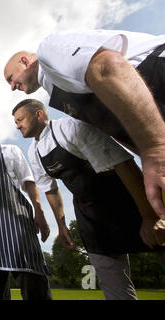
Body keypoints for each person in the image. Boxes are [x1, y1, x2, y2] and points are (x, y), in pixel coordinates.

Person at [3, 29, 165, 219]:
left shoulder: (48, 50)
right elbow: (113, 127)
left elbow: (107, 67)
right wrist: (145, 153)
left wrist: (155, 150)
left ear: (25, 61)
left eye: (11, 78)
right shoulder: (58, 92)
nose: (13, 86)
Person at [12, 98, 165, 300]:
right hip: (88, 213)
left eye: (20, 119)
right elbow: (51, 190)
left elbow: (122, 162)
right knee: (110, 278)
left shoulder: (70, 127)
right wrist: (62, 226)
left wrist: (148, 215)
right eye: (15, 122)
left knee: (161, 245)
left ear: (39, 114)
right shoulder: (34, 151)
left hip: (122, 198)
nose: (17, 125)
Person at [0, 119, 52, 300]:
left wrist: (40, 213)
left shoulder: (11, 151)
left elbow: (28, 183)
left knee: (33, 278)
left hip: (16, 224)